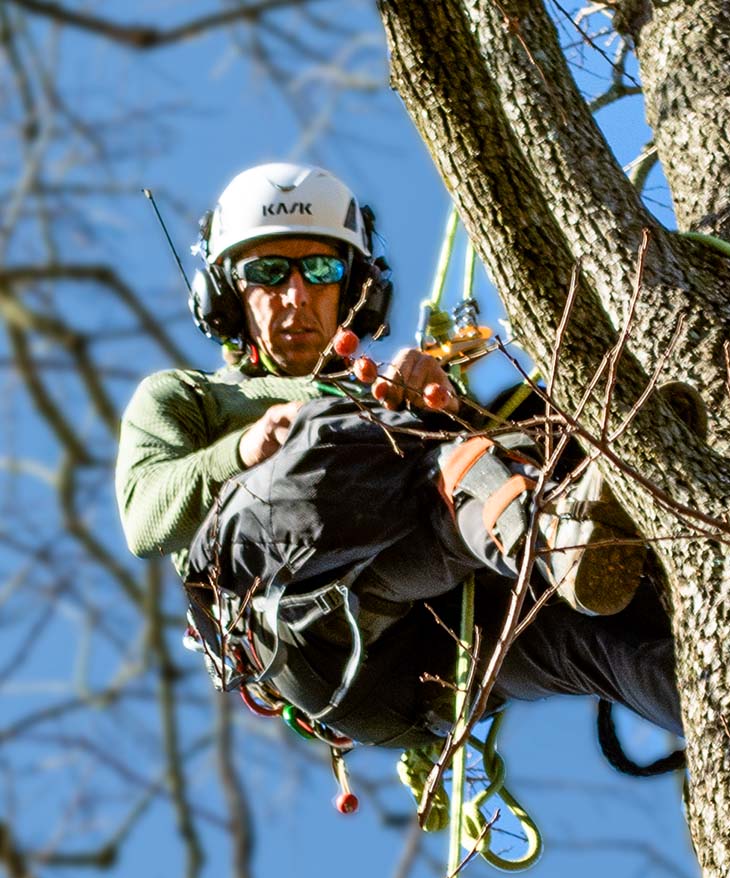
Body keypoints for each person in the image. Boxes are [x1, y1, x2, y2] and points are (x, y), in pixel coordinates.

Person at [116, 162, 682, 753]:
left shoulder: (379, 392)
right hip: (311, 635)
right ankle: (548, 534)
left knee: (608, 636)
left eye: (320, 269)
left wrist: (445, 413)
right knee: (330, 434)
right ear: (227, 295)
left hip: (444, 636)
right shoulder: (191, 397)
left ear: (355, 288)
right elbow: (144, 517)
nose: (296, 295)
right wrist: (246, 447)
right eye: (267, 272)